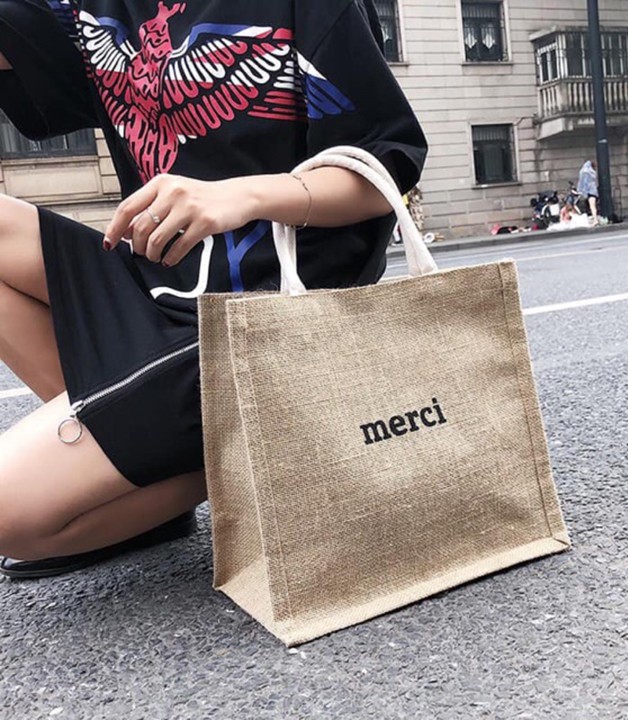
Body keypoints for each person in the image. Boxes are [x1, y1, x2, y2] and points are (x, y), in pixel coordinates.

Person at [0, 0, 426, 579]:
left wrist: (244, 194)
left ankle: (263, 446)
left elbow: (386, 168)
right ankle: (140, 477)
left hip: (269, 306)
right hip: (155, 280)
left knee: (9, 511)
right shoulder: (87, 9)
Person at [577, 160, 599, 226]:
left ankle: (595, 220)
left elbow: (584, 183)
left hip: (589, 192)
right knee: (593, 206)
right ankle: (595, 219)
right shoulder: (593, 173)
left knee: (592, 206)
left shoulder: (585, 172)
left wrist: (582, 191)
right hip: (594, 191)